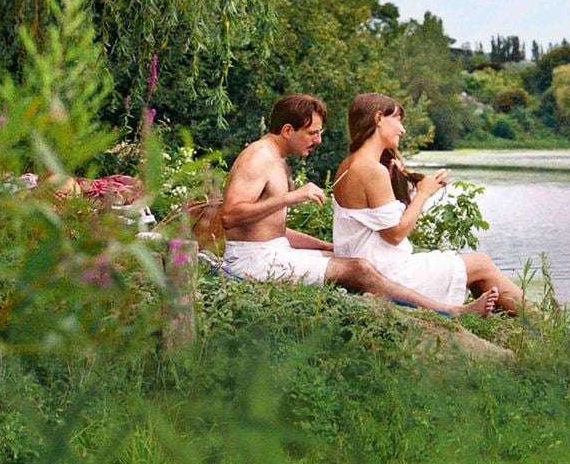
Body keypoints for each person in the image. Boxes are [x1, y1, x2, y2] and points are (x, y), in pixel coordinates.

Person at [220, 93, 497, 317]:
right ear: (288, 130)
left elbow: (270, 230)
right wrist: (291, 197)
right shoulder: (259, 156)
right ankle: (450, 311)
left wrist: (325, 246)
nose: (318, 140)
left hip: (270, 251)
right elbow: (230, 216)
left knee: (346, 260)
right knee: (359, 269)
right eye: (312, 133)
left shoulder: (276, 157)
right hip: (252, 261)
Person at [332, 93, 526, 314]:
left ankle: (525, 323)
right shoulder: (370, 169)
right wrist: (423, 194)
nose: (402, 129)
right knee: (480, 264)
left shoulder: (350, 164)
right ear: (378, 118)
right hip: (385, 274)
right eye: (397, 119)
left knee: (474, 268)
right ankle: (541, 324)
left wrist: (403, 176)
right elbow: (394, 235)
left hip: (371, 264)